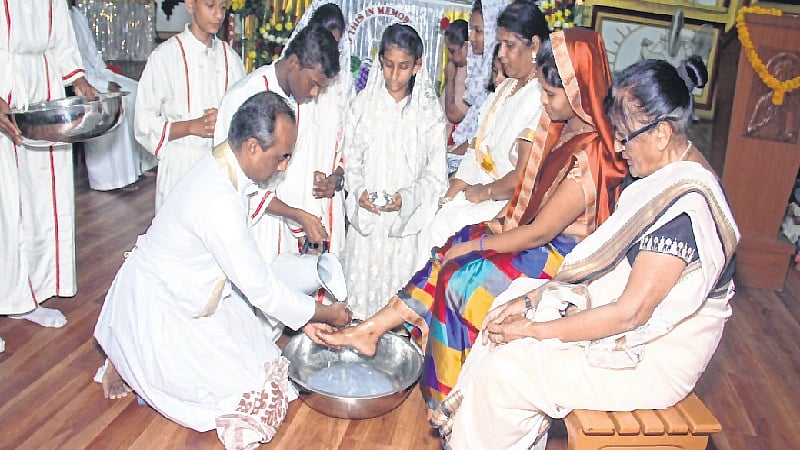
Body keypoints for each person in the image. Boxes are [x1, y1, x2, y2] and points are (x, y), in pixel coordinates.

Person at [433, 54, 738, 450]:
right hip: (635, 331)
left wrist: (536, 329)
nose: (618, 147)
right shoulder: (666, 177)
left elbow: (631, 312)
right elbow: (613, 274)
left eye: (625, 136)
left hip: (655, 360)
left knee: (510, 370)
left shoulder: (686, 208)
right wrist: (530, 303)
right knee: (508, 306)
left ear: (661, 133)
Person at [321, 28, 628, 409]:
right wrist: (482, 232)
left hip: (560, 254)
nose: (544, 104)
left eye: (550, 94)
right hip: (536, 236)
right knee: (446, 249)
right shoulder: (564, 130)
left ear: (579, 90)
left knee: (458, 277)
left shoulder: (590, 155)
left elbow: (539, 233)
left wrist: (479, 243)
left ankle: (451, 399)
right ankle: (370, 330)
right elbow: (528, 207)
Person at [94, 92, 352, 449]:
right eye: (281, 157)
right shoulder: (217, 199)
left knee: (265, 363)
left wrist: (306, 318)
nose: (283, 167)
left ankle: (127, 352)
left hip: (197, 292)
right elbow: (261, 290)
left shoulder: (223, 163)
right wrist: (327, 314)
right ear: (251, 148)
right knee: (246, 395)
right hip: (160, 305)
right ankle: (126, 352)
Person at [0, 0, 99, 353]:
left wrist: (78, 81)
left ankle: (29, 294)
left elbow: (61, 38)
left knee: (43, 197)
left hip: (42, 86)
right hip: (4, 84)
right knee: (6, 205)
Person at [424, 1, 548, 262]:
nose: (501, 54)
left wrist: (484, 192)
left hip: (506, 204)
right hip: (478, 191)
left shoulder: (542, 98)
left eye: (509, 45)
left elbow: (524, 177)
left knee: (448, 227)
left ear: (534, 46)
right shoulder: (505, 89)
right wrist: (451, 191)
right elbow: (476, 150)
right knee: (430, 213)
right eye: (500, 43)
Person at [341, 23, 448, 319]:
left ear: (417, 66)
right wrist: (359, 189)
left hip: (405, 225)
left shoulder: (428, 114)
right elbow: (351, 158)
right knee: (361, 303)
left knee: (397, 304)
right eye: (388, 65)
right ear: (380, 62)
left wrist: (407, 197)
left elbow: (436, 175)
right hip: (369, 224)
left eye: (403, 67)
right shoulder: (362, 106)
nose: (393, 75)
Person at [214, 23, 340, 263]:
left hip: (282, 226)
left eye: (320, 88)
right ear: (294, 63)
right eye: (313, 83)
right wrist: (295, 214)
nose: (315, 93)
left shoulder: (301, 102)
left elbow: (297, 169)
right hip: (244, 224)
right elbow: (231, 179)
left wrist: (304, 218)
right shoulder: (244, 96)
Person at [135, 0, 245, 211]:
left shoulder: (231, 59)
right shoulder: (165, 56)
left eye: (222, 8)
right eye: (210, 5)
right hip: (180, 162)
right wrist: (190, 126)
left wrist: (225, 118)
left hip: (222, 165)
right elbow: (143, 122)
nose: (218, 15)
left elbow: (244, 111)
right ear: (191, 5)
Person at [69, 2, 157, 191]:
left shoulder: (75, 14)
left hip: (97, 75)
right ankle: (112, 179)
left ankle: (140, 165)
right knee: (116, 101)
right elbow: (70, 66)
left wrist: (107, 76)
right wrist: (101, 85)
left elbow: (92, 56)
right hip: (80, 82)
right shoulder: (61, 18)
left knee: (138, 92)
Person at [446, 0, 506, 174]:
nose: (471, 38)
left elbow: (479, 136)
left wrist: (449, 157)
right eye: (471, 30)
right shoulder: (480, 69)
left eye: (478, 31)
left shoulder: (499, 72)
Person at [441, 19, 469, 149]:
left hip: (457, 143)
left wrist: (450, 78)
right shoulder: (457, 66)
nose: (450, 57)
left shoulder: (473, 74)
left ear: (466, 47)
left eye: (452, 51)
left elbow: (454, 115)